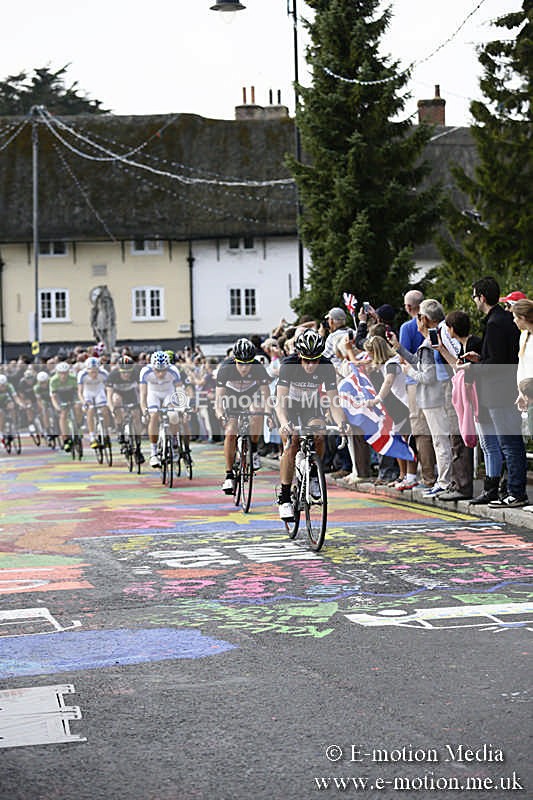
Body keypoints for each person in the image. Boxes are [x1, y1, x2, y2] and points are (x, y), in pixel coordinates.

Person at [461, 276, 528, 508]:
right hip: (506, 389)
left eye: (474, 296)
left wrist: (474, 367)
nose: (474, 301)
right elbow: (500, 356)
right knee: (510, 443)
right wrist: (480, 358)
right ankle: (511, 490)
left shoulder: (495, 323)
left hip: (500, 392)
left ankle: (516, 492)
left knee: (509, 444)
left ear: (481, 297)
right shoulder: (502, 319)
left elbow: (498, 363)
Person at [275, 330, 350, 521]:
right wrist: (283, 423)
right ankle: (284, 497)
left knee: (319, 434)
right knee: (292, 443)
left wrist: (341, 423)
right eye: (306, 360)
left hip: (311, 406)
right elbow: (280, 402)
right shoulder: (289, 365)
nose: (311, 365)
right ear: (299, 356)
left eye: (315, 360)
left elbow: (334, 402)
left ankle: (314, 475)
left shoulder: (326, 366)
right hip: (289, 406)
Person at [390, 299, 454, 498]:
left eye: (418, 317)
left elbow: (427, 376)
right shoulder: (434, 339)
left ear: (424, 319)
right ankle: (444, 480)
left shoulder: (429, 344)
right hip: (437, 397)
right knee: (440, 441)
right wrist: (399, 348)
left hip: (434, 398)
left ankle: (444, 482)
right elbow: (419, 362)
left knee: (440, 441)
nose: (416, 321)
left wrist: (408, 372)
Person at [215, 337, 271, 494]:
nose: (244, 368)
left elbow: (266, 395)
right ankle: (229, 475)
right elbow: (218, 400)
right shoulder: (226, 368)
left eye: (248, 364)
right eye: (241, 364)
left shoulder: (258, 368)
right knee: (231, 431)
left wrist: (268, 413)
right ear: (235, 360)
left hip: (250, 395)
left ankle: (253, 449)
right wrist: (220, 414)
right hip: (232, 397)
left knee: (258, 411)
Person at [364, 335, 416, 490]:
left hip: (404, 406)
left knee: (406, 442)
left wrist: (377, 399)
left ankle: (410, 476)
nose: (369, 357)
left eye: (370, 353)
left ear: (377, 352)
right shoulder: (386, 363)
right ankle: (403, 475)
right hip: (398, 406)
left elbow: (388, 382)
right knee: (399, 441)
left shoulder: (391, 364)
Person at [398, 289, 437, 488]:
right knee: (437, 431)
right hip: (438, 382)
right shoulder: (437, 325)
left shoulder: (407, 327)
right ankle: (437, 475)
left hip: (415, 383)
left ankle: (429, 478)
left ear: (408, 307)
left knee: (421, 432)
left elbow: (404, 358)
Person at [139, 351, 189, 468]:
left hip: (168, 393)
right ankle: (153, 452)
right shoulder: (145, 371)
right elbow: (143, 394)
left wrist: (183, 408)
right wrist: (144, 411)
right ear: (152, 367)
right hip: (153, 394)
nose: (161, 374)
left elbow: (179, 391)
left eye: (163, 370)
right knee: (154, 416)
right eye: (157, 370)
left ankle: (174, 443)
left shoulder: (173, 370)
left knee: (174, 416)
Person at [106, 355, 144, 460]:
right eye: (124, 372)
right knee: (116, 401)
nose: (126, 374)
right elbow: (109, 396)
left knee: (136, 416)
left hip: (131, 394)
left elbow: (142, 392)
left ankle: (138, 447)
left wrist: (142, 406)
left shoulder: (136, 373)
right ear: (119, 370)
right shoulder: (113, 375)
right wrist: (112, 410)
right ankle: (120, 430)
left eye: (128, 372)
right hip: (118, 394)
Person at [77, 355, 111, 449]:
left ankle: (106, 432)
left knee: (104, 410)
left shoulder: (104, 373)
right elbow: (80, 392)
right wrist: (84, 402)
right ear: (87, 370)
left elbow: (108, 389)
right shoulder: (82, 375)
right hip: (87, 392)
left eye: (96, 371)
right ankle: (92, 436)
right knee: (90, 410)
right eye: (91, 372)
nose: (94, 374)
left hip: (99, 391)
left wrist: (108, 401)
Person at [49, 362, 83, 451]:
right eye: (61, 373)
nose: (63, 375)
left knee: (78, 407)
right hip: (61, 397)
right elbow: (53, 397)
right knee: (63, 415)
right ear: (57, 373)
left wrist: (80, 402)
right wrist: (57, 407)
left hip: (72, 395)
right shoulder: (53, 380)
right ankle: (65, 439)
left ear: (68, 372)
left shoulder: (73, 378)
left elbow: (78, 392)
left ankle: (78, 426)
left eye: (65, 373)